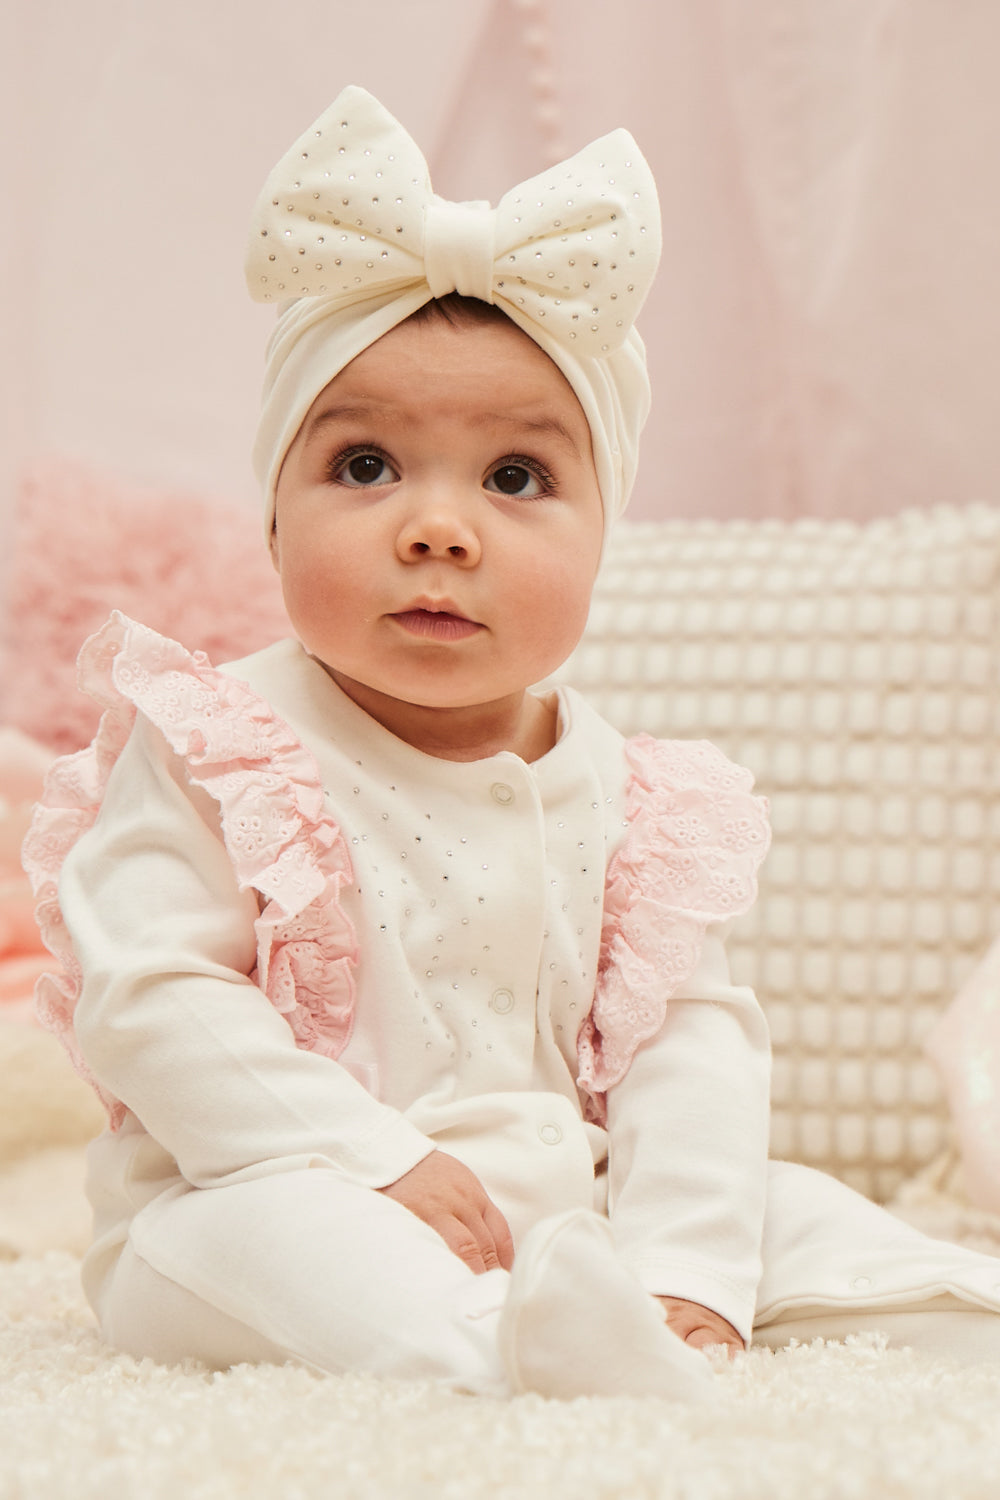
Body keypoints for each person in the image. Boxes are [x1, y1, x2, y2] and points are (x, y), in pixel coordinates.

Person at [24, 86, 1000, 1401]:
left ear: (606, 544)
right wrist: (369, 1159)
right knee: (276, 1246)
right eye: (365, 466)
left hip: (563, 1209)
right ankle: (508, 1354)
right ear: (269, 517)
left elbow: (687, 1050)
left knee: (784, 1211)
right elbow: (151, 1004)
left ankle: (915, 1313)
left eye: (516, 478)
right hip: (263, 1182)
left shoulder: (635, 799)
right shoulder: (225, 749)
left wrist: (688, 1268)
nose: (438, 528)